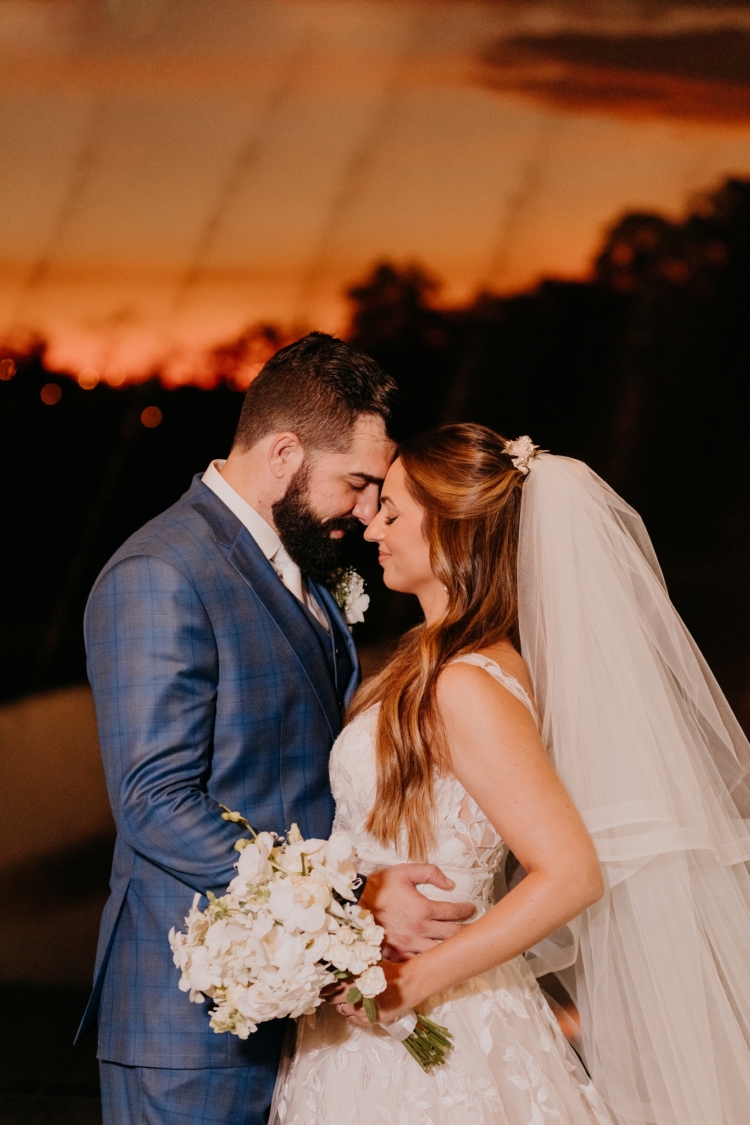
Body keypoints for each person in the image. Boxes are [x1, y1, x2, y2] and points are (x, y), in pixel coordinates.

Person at [272, 423, 750, 1125]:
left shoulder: (468, 683)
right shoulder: (429, 661)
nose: (372, 524)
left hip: (442, 1023)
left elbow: (571, 871)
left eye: (396, 512)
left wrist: (414, 980)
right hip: (366, 1011)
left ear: (455, 534)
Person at [77, 334, 475, 1125]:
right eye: (357, 483)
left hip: (298, 1003)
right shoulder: (161, 571)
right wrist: (351, 898)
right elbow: (154, 800)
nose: (366, 512)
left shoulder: (302, 565)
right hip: (189, 1019)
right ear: (285, 451)